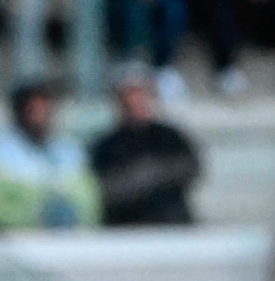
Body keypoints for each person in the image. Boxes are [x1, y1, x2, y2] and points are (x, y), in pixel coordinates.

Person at [88, 73, 202, 228]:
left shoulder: (170, 136)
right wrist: (139, 179)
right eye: (129, 96)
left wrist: (153, 173)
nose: (135, 102)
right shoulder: (106, 145)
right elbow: (103, 187)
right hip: (127, 225)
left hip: (171, 221)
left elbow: (190, 167)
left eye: (140, 95)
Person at [0, 84, 100, 231]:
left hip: (70, 242)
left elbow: (88, 199)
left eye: (43, 108)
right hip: (18, 241)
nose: (38, 115)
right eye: (32, 109)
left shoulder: (69, 149)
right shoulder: (4, 151)